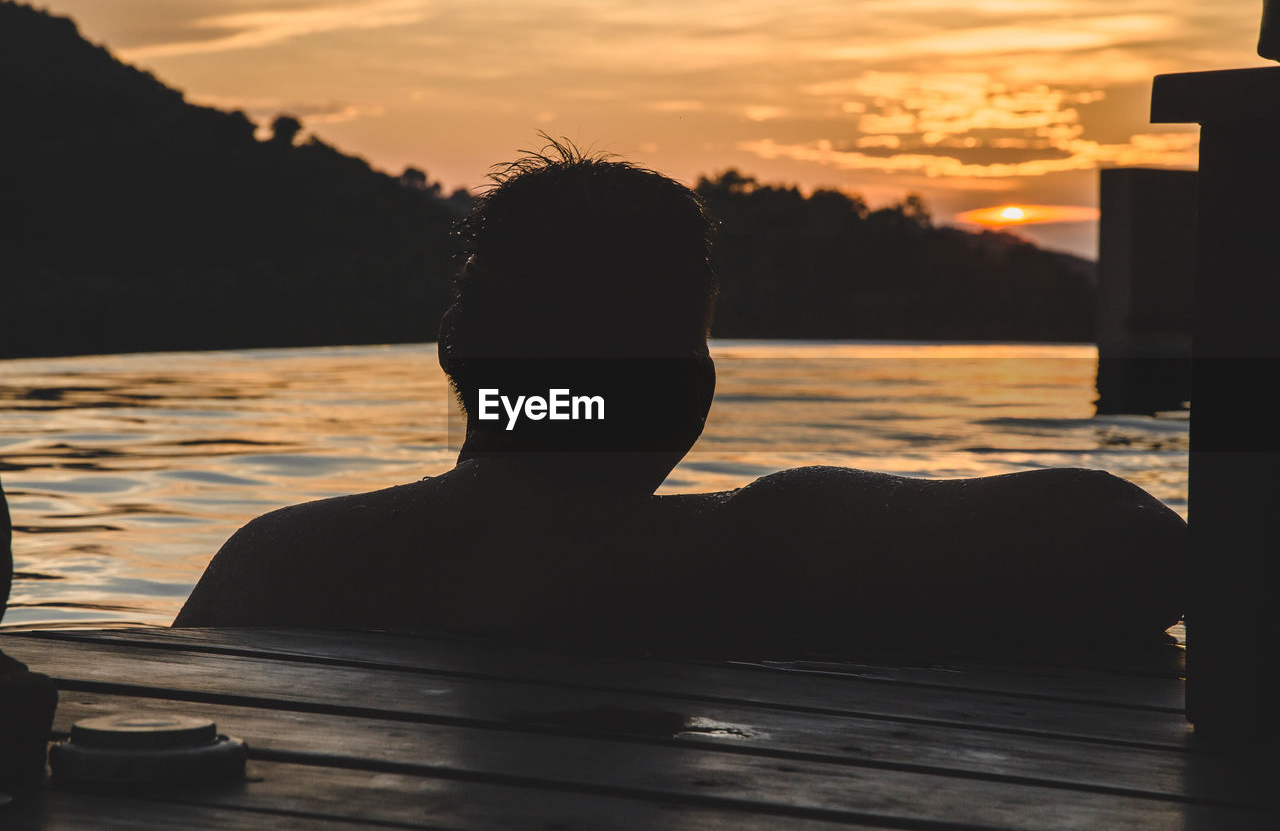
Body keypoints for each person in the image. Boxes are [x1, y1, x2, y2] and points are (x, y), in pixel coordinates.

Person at [175, 141, 1186, 648]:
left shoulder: (277, 558)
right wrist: (774, 524)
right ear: (687, 384)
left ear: (456, 352)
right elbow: (1132, 542)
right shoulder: (765, 549)